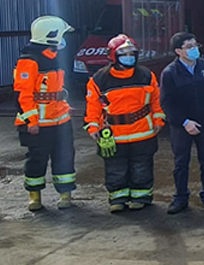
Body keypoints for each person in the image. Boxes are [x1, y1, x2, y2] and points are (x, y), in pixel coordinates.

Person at [84, 35, 166, 213]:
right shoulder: (99, 79)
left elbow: (156, 101)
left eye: (132, 53)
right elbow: (93, 106)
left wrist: (159, 119)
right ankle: (117, 199)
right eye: (123, 53)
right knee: (115, 167)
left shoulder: (146, 75)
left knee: (142, 165)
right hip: (113, 133)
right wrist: (93, 126)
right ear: (113, 56)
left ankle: (141, 197)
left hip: (143, 131)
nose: (129, 56)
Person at [14, 15, 76, 212]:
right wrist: (31, 120)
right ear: (52, 37)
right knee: (36, 159)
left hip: (61, 119)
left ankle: (65, 194)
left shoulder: (54, 58)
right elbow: (23, 95)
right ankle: (34, 196)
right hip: (38, 123)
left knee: (65, 156)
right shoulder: (29, 62)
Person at [160, 32, 204, 214]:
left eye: (196, 46)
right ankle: (180, 198)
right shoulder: (170, 73)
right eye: (189, 47)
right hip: (181, 125)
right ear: (178, 51)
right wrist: (185, 122)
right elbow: (166, 102)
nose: (194, 50)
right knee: (181, 162)